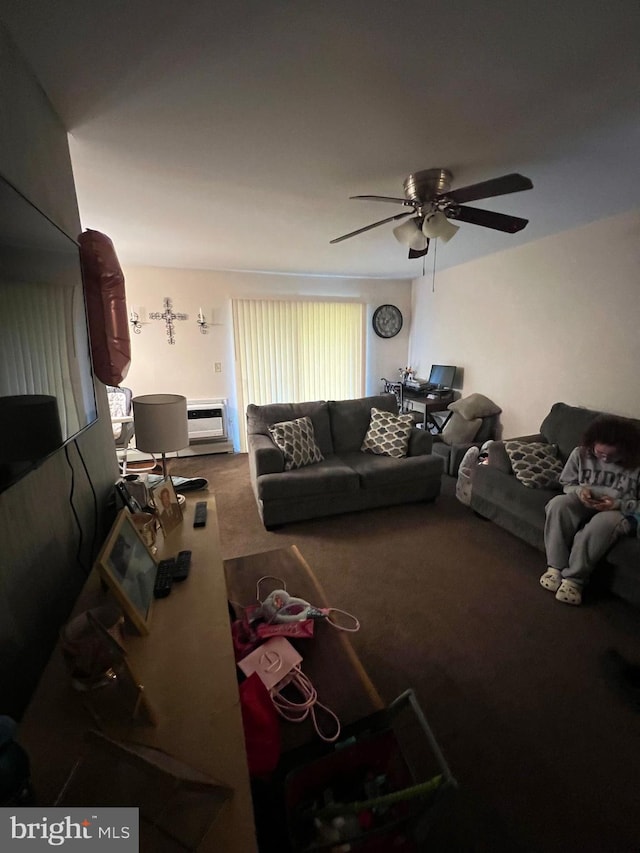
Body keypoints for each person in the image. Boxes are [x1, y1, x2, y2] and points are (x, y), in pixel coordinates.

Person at [539, 414, 640, 606]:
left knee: (602, 524)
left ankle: (574, 580)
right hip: (585, 500)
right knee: (558, 504)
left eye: (613, 456)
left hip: (619, 509)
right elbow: (566, 483)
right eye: (600, 454)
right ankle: (555, 568)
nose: (605, 459)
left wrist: (618, 504)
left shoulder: (636, 464)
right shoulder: (580, 453)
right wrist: (579, 491)